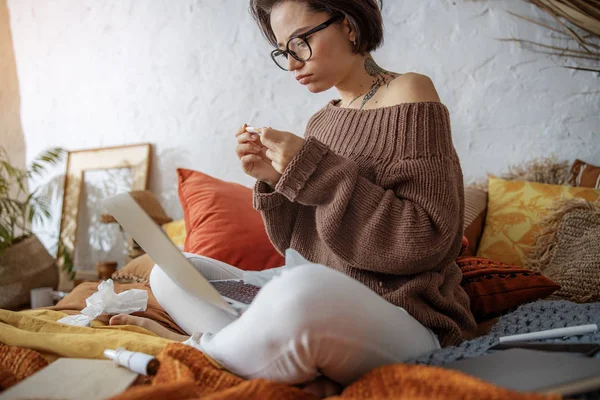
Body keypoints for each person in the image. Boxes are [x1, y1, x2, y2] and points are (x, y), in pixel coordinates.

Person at [109, 0, 477, 397]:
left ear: (349, 25)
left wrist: (312, 169)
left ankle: (194, 350)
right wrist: (274, 181)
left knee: (302, 291)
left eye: (301, 42)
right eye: (284, 51)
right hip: (321, 297)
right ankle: (269, 348)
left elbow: (427, 238)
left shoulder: (410, 91)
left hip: (405, 316)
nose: (292, 64)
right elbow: (300, 246)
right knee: (171, 274)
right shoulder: (323, 120)